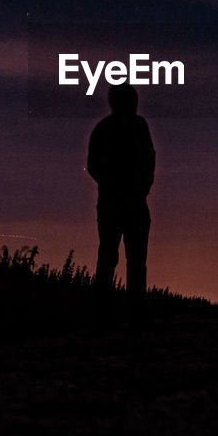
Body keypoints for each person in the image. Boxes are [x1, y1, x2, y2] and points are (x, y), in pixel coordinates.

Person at [86, 82, 155, 322]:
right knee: (119, 258)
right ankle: (113, 315)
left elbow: (149, 159)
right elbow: (94, 165)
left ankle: (118, 315)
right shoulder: (121, 127)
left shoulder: (128, 126)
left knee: (127, 259)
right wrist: (136, 187)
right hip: (121, 203)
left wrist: (140, 188)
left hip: (123, 202)